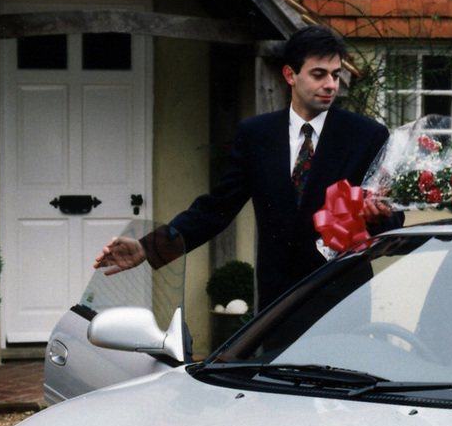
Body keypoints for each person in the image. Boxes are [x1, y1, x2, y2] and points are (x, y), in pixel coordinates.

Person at [94, 26, 399, 308]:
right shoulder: (256, 135)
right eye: (319, 74)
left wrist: (377, 219)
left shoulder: (367, 135)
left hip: (344, 298)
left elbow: (393, 219)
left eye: (335, 74)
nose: (330, 84)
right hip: (277, 304)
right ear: (290, 75)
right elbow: (216, 208)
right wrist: (148, 247)